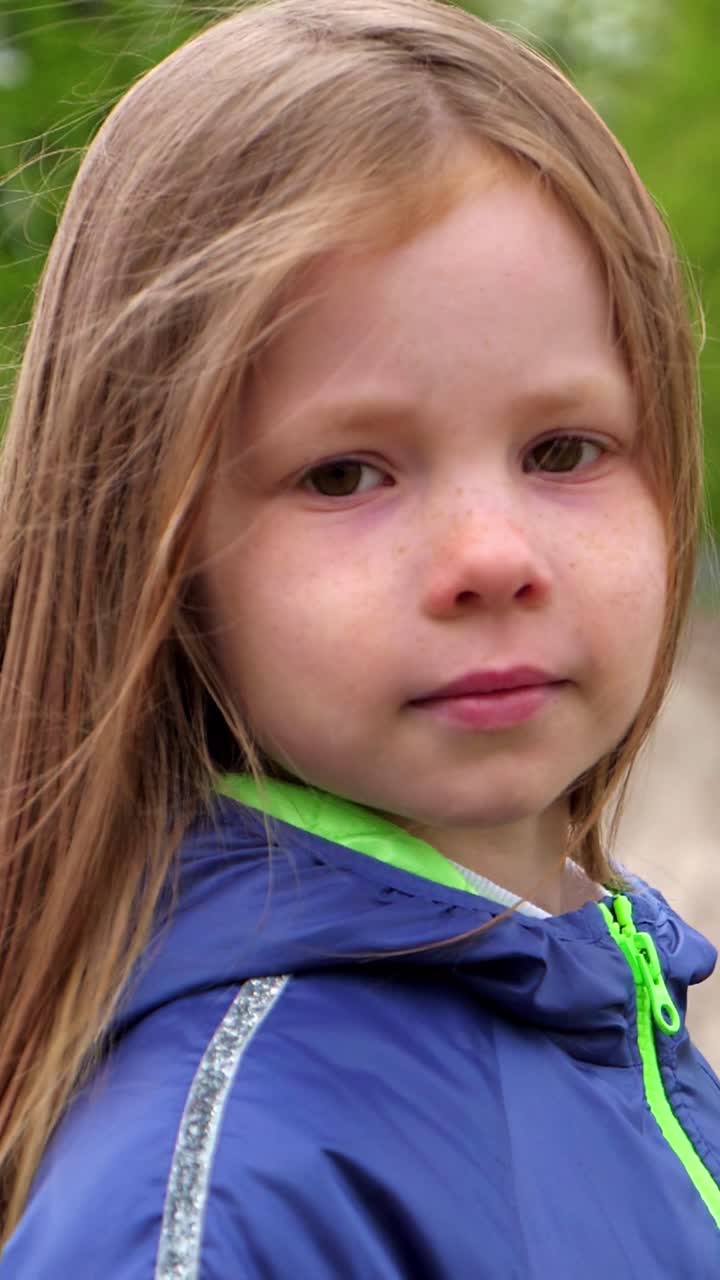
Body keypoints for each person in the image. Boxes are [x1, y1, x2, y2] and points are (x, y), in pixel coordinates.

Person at [0, 0, 718, 1274]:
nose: (491, 556)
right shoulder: (223, 1197)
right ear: (150, 547)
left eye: (563, 449)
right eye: (344, 475)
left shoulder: (596, 990)